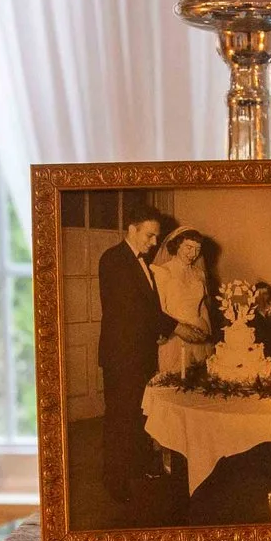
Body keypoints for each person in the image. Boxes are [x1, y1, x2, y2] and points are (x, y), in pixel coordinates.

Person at [94, 206, 177, 501]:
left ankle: (134, 469)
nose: (154, 242)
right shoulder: (113, 260)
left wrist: (162, 328)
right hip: (121, 356)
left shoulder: (141, 263)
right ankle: (114, 481)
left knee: (136, 415)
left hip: (139, 354)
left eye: (156, 236)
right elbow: (134, 309)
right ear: (132, 229)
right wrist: (176, 327)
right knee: (119, 417)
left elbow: (149, 309)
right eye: (149, 235)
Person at [154, 231, 216, 377]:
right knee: (175, 380)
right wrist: (173, 330)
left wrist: (208, 336)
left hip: (200, 333)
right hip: (175, 334)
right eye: (188, 247)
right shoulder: (162, 271)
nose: (193, 253)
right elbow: (161, 308)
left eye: (197, 249)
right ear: (177, 246)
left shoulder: (199, 274)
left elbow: (202, 307)